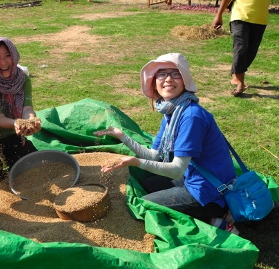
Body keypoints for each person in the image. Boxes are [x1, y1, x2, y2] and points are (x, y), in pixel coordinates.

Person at [95, 53, 239, 234]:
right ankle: (212, 214)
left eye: (175, 73)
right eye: (162, 74)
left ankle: (217, 219)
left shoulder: (191, 116)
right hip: (191, 176)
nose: (168, 79)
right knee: (148, 185)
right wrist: (122, 136)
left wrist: (135, 162)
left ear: (185, 80)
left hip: (207, 190)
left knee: (143, 204)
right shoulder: (173, 110)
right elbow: (156, 155)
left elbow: (177, 169)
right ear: (154, 81)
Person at [0, 36, 41, 185]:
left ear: (14, 56)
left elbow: (27, 108)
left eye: (7, 55)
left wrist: (30, 121)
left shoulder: (22, 79)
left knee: (35, 169)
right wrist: (18, 123)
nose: (3, 62)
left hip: (13, 134)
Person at [212, 0, 279, 97]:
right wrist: (219, 15)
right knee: (241, 47)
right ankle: (240, 83)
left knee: (251, 51)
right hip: (240, 16)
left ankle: (237, 73)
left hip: (260, 19)